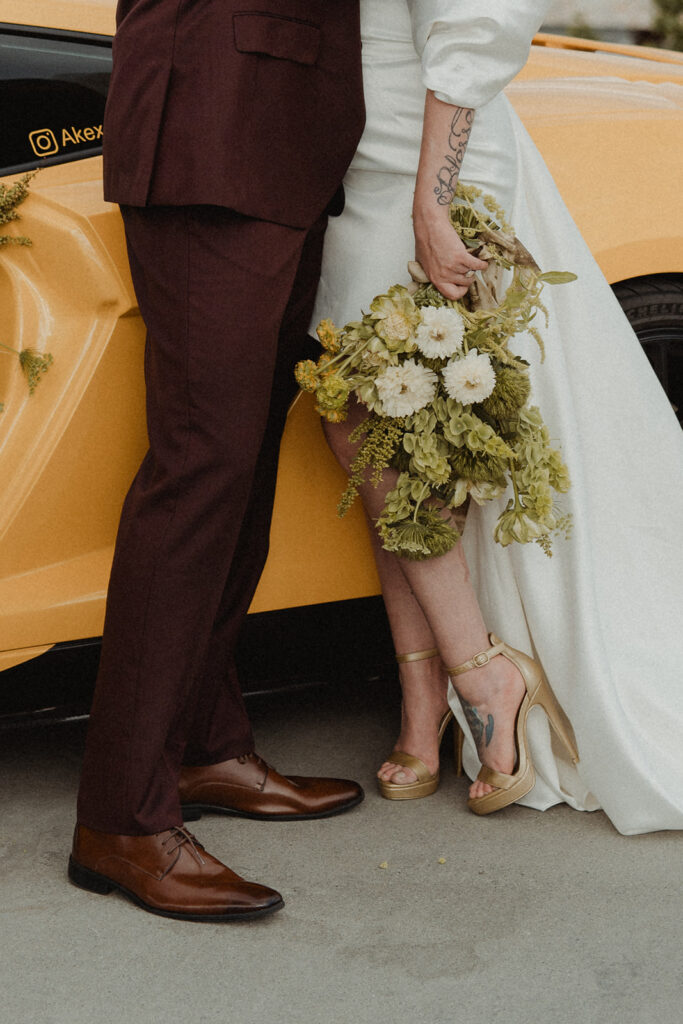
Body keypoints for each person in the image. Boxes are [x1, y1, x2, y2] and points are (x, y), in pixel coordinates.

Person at [315, 0, 683, 835]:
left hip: (429, 165)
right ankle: (427, 689)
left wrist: (430, 205)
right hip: (353, 169)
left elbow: (482, 19)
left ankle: (484, 678)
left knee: (414, 433)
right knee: (363, 423)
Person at [68, 0, 367, 922]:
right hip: (211, 135)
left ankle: (205, 742)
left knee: (239, 470)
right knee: (200, 471)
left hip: (280, 146)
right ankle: (121, 818)